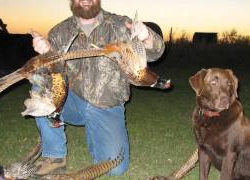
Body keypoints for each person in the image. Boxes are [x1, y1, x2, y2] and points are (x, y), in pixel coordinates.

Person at [31, 0, 165, 176]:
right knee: (40, 83)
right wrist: (47, 53)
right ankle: (54, 155)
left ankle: (98, 132)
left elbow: (157, 52)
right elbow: (51, 70)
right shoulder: (59, 32)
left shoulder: (120, 24)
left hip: (107, 106)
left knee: (115, 169)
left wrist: (146, 36)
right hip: (70, 101)